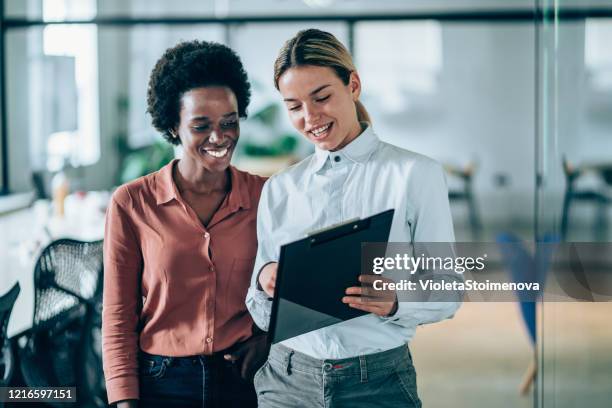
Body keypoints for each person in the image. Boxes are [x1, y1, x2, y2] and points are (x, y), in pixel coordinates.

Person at [246, 29, 462, 407]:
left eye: (322, 97)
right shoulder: (280, 189)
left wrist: (397, 300)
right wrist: (266, 281)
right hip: (288, 380)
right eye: (294, 106)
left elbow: (448, 289)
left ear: (354, 85)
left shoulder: (415, 174)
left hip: (377, 382)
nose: (310, 117)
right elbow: (260, 310)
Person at [103, 40, 267, 408]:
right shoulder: (132, 203)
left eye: (229, 122)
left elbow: (293, 285)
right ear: (173, 126)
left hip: (241, 380)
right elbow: (117, 316)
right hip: (161, 383)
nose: (219, 137)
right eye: (200, 126)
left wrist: (270, 337)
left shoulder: (264, 197)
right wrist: (123, 401)